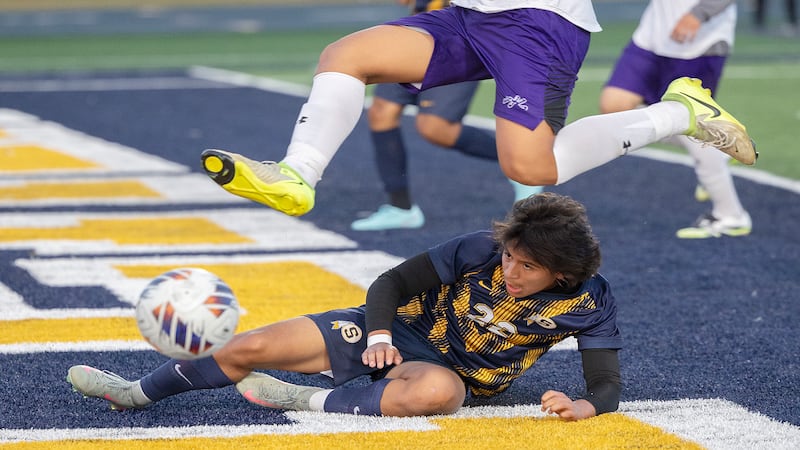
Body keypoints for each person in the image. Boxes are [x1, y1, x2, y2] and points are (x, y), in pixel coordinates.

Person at [67, 192, 622, 421]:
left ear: (563, 274)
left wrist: (586, 407)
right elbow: (390, 283)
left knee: (437, 395)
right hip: (390, 334)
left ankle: (308, 397)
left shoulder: (590, 301)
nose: (508, 270)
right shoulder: (478, 249)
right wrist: (378, 335)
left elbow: (606, 385)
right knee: (249, 347)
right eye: (508, 257)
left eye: (527, 267)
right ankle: (133, 393)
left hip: (452, 373)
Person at [199, 1, 757, 217]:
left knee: (530, 167)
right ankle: (299, 174)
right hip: (470, 15)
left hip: (538, 21)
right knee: (345, 55)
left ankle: (678, 112)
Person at [351, 0, 542, 231]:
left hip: (457, 38)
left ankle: (522, 163)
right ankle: (400, 208)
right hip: (415, 33)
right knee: (381, 112)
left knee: (435, 128)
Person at [599, 0, 752, 239]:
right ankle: (719, 148)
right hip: (653, 33)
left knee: (689, 118)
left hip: (700, 38)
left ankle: (731, 214)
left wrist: (700, 13)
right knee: (614, 106)